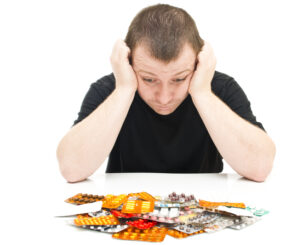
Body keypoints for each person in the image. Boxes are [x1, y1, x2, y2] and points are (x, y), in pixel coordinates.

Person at [56, 4, 276, 183]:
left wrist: (201, 92)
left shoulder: (219, 88)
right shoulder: (110, 89)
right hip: (130, 215)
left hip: (202, 215)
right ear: (129, 63)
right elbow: (71, 169)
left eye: (179, 78)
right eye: (149, 79)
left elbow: (260, 168)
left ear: (199, 64)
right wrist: (124, 88)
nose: (164, 97)